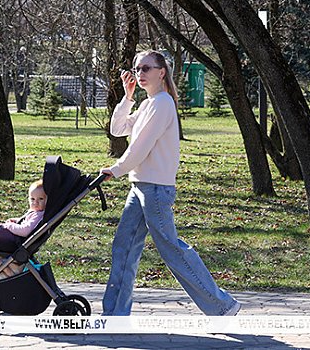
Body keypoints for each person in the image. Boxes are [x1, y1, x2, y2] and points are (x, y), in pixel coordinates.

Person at [99, 50, 241, 316]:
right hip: (139, 186)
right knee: (124, 247)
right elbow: (117, 129)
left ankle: (222, 305)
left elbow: (141, 147)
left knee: (172, 249)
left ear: (161, 72)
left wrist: (116, 169)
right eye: (137, 69)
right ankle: (114, 315)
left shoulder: (163, 104)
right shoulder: (147, 104)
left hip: (155, 189)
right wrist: (127, 96)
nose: (140, 74)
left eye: (146, 69)